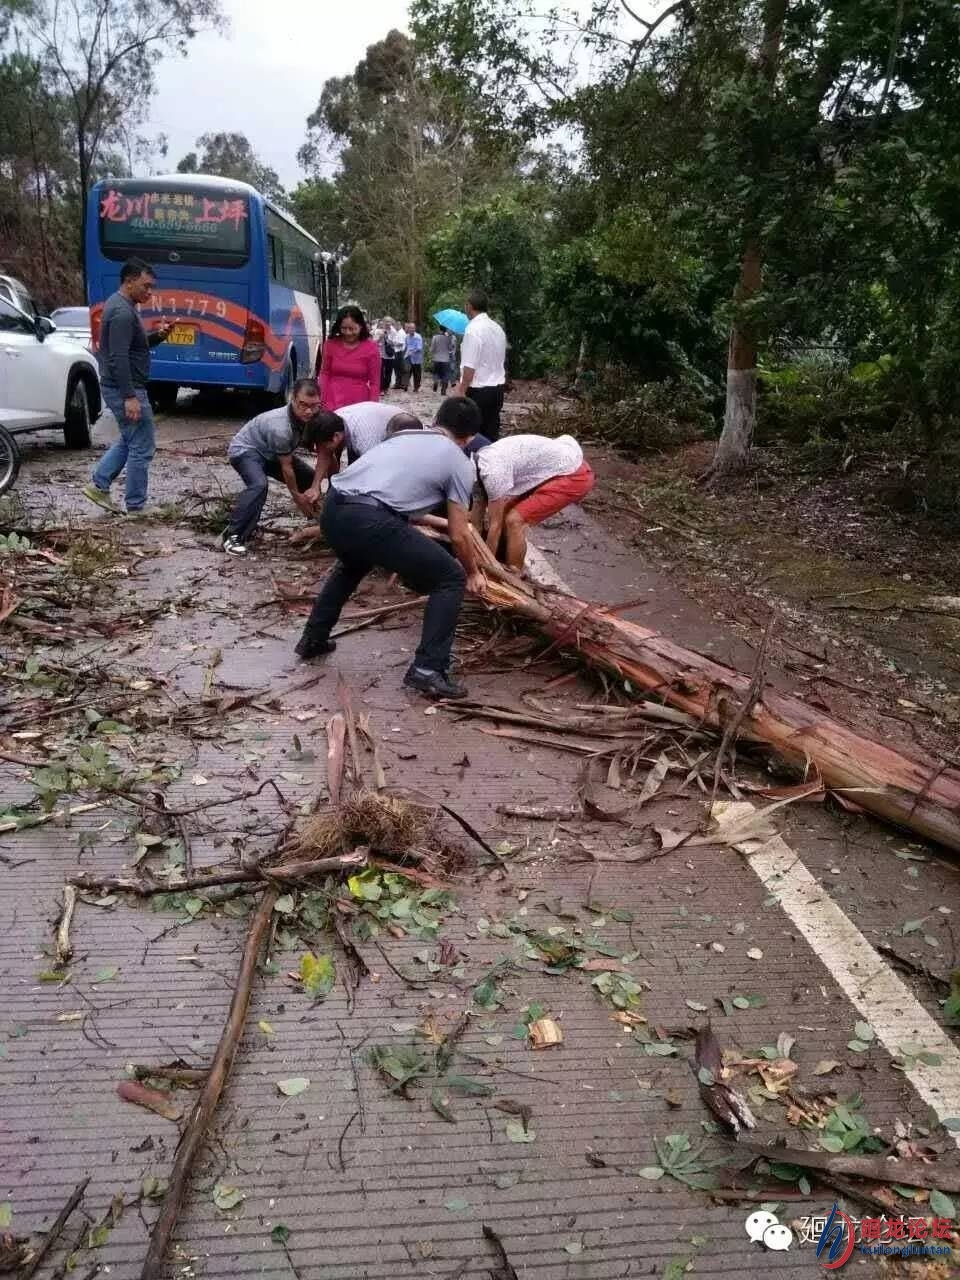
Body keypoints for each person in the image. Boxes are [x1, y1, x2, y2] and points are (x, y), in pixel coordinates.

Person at [294, 419, 485, 700]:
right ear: (466, 439)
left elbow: (392, 496)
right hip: (370, 519)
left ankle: (313, 639)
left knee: (353, 563)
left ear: (436, 423)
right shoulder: (458, 459)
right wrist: (472, 572)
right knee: (449, 578)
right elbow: (460, 534)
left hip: (334, 510)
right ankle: (428, 670)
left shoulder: (403, 440)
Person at [83, 257, 176, 513]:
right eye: (146, 286)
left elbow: (132, 347)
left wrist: (158, 336)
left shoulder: (122, 306)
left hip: (125, 386)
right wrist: (129, 396)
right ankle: (136, 507)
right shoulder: (123, 312)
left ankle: (99, 485)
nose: (149, 291)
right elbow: (118, 357)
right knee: (142, 446)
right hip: (127, 388)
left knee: (130, 439)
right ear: (129, 281)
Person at [221, 379, 342, 556]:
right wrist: (298, 498)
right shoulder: (280, 426)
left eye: (314, 406)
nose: (309, 411)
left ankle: (320, 523)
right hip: (247, 451)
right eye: (303, 405)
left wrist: (334, 488)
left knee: (309, 479)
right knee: (259, 485)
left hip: (272, 453)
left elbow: (326, 453)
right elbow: (287, 468)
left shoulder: (316, 418)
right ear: (293, 399)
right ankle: (233, 536)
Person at [475, 432, 595, 570]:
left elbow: (494, 527)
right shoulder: (478, 461)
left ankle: (515, 576)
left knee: (514, 521)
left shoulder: (493, 475)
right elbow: (477, 519)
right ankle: (506, 560)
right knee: (505, 512)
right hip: (557, 464)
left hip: (574, 474)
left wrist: (485, 568)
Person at [453, 289, 507, 442]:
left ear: (469, 306)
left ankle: (475, 464)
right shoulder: (497, 328)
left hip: (478, 390)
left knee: (472, 436)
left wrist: (461, 390)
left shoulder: (473, 330)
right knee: (491, 433)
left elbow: (469, 367)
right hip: (497, 389)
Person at [318, 305, 380, 411]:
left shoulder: (371, 348)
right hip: (331, 401)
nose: (348, 333)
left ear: (361, 326)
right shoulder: (330, 345)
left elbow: (375, 382)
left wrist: (373, 407)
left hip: (359, 404)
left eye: (352, 329)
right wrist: (320, 399)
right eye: (343, 328)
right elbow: (324, 373)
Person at [430, 329, 452, 394]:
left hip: (436, 359)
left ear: (439, 329)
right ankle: (443, 390)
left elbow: (432, 349)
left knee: (436, 373)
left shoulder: (435, 337)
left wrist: (433, 352)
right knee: (445, 375)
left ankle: (436, 382)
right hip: (445, 360)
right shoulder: (448, 338)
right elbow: (450, 348)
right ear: (445, 330)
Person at [403, 322, 424, 392]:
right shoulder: (407, 337)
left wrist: (412, 351)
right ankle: (405, 385)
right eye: (410, 328)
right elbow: (406, 346)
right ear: (408, 329)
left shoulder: (418, 337)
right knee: (407, 371)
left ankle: (416, 387)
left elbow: (419, 348)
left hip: (416, 358)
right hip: (408, 357)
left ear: (415, 329)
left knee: (417, 373)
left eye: (413, 328)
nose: (411, 329)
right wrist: (405, 353)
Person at [377, 319, 394, 394]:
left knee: (388, 373)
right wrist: (380, 337)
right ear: (384, 323)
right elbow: (374, 342)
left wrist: (387, 338)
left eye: (389, 322)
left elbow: (395, 343)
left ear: (391, 323)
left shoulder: (394, 332)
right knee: (380, 372)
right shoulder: (379, 331)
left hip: (390, 356)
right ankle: (381, 388)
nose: (387, 324)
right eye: (386, 322)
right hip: (381, 355)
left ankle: (386, 387)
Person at [389, 321, 407, 390]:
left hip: (399, 352)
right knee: (397, 369)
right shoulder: (398, 332)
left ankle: (399, 384)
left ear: (398, 325)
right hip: (397, 351)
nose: (395, 327)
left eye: (395, 325)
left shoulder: (401, 333)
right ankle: (399, 383)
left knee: (398, 368)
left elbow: (401, 343)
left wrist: (393, 343)